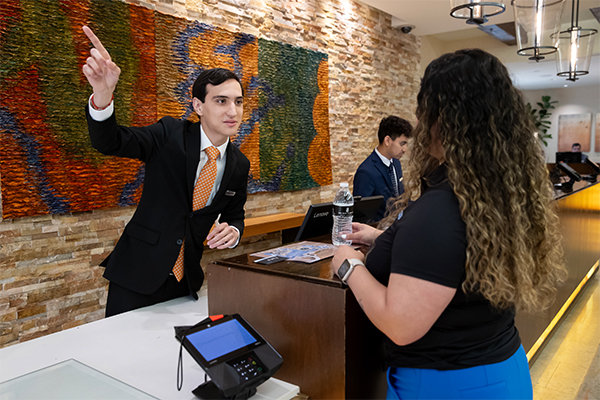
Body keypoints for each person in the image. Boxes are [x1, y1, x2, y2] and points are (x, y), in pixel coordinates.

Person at [331, 49, 566, 399]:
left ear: (442, 119)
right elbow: (458, 257)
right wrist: (386, 237)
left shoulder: (441, 209)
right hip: (502, 369)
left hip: (448, 385)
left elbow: (400, 324)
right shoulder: (496, 193)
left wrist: (348, 265)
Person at [82, 26, 250, 317]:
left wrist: (233, 230)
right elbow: (111, 142)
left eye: (238, 102)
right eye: (221, 101)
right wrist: (102, 95)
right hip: (137, 275)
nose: (232, 111)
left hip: (186, 282)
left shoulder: (240, 164)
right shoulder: (169, 134)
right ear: (198, 105)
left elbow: (235, 213)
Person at [353, 116, 412, 221]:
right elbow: (361, 217)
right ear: (387, 141)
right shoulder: (366, 172)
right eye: (402, 144)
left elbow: (400, 197)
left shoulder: (396, 163)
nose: (405, 149)